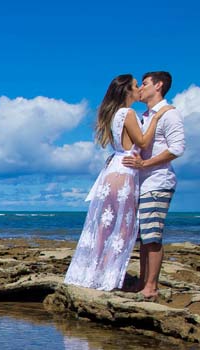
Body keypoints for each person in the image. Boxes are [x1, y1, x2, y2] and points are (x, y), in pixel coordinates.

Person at [64, 75, 172, 292]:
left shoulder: (113, 114)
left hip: (112, 171)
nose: (139, 89)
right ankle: (106, 277)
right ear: (126, 91)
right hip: (124, 172)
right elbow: (143, 142)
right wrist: (157, 118)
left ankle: (92, 273)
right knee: (122, 229)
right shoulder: (127, 113)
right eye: (136, 86)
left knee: (104, 228)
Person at [121, 71, 186, 299]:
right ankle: (142, 282)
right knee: (143, 236)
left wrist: (145, 163)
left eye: (145, 83)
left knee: (152, 235)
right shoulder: (145, 116)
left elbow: (177, 148)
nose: (140, 88)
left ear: (158, 86)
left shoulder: (169, 113)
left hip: (158, 181)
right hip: (142, 182)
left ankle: (151, 287)